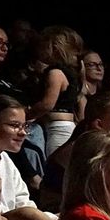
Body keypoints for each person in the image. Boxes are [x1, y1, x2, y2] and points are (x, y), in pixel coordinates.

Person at [26, 26, 84, 158]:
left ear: (54, 48)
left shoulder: (55, 73)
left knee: (55, 164)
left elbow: (47, 104)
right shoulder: (70, 73)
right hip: (63, 127)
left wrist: (26, 114)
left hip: (58, 129)